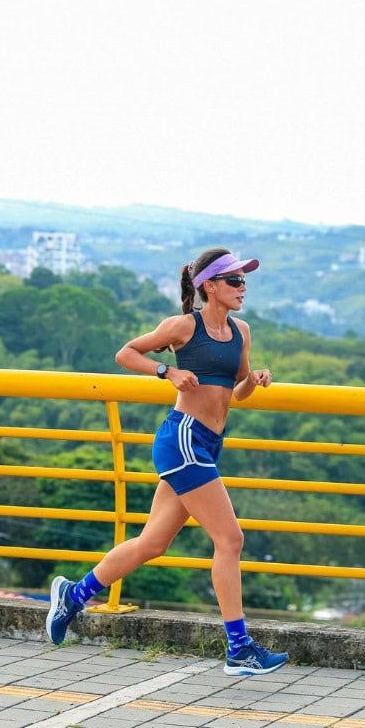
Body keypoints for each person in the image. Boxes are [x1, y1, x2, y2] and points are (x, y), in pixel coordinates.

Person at [44, 247, 288, 676]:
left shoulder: (241, 331)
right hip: (182, 439)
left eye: (245, 280)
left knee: (153, 544)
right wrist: (166, 373)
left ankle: (73, 595)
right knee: (230, 541)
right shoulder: (182, 327)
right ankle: (239, 648)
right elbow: (127, 353)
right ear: (209, 286)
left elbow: (236, 393)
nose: (243, 287)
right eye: (234, 280)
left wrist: (255, 379)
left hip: (209, 443)